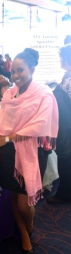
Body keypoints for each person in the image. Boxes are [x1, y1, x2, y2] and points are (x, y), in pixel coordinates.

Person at [0, 48, 58, 254]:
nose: (15, 76)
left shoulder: (44, 94)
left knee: (25, 204)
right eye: (13, 71)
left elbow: (40, 125)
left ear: (32, 69)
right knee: (14, 197)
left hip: (34, 152)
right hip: (9, 151)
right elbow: (2, 127)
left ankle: (29, 222)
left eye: (20, 70)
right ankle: (25, 235)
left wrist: (9, 137)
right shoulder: (9, 94)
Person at [47, 44, 71, 203]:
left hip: (67, 127)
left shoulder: (68, 80)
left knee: (65, 160)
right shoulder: (66, 78)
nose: (59, 60)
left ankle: (64, 194)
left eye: (61, 57)